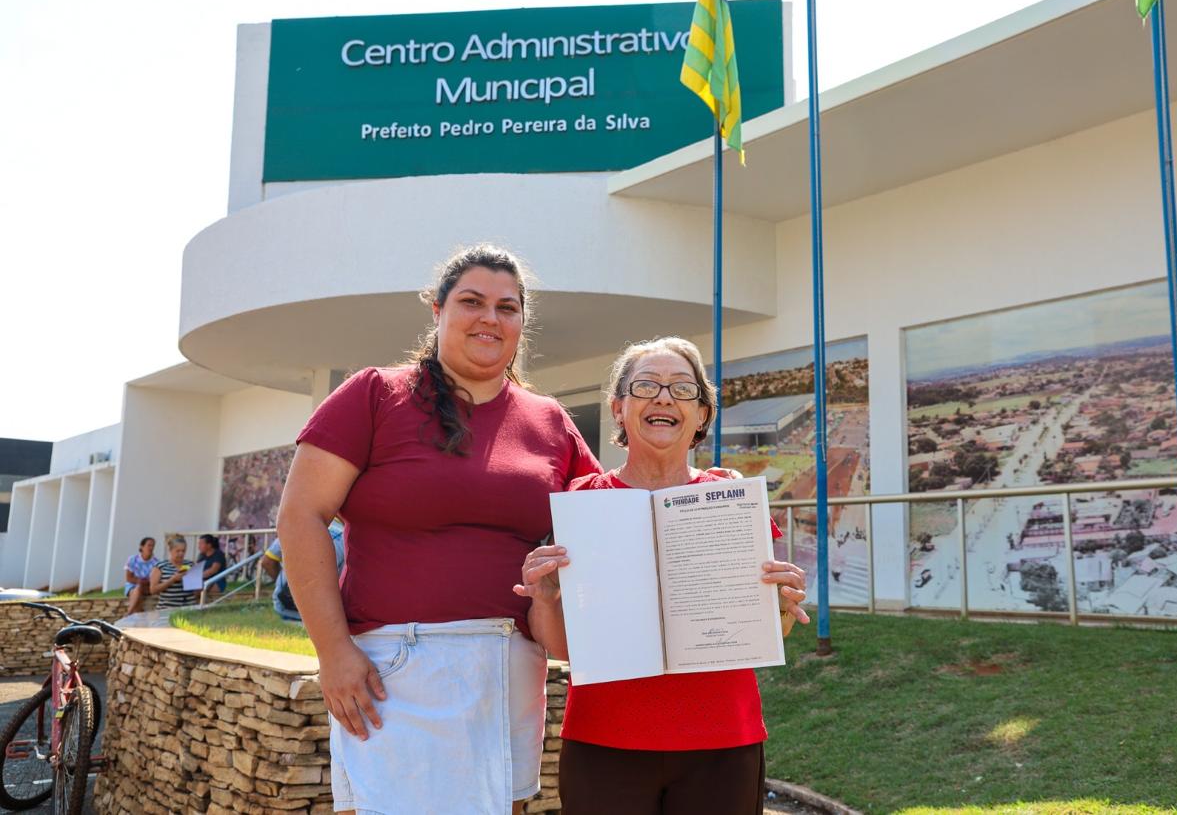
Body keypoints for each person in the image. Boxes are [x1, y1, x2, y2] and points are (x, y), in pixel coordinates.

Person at [276, 245, 603, 815]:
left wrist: (697, 496)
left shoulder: (549, 419)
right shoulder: (374, 394)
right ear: (438, 310)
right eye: (472, 302)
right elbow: (300, 515)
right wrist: (333, 651)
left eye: (507, 307)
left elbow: (607, 519)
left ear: (521, 322)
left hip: (509, 666)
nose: (489, 318)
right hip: (390, 669)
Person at [514, 337, 810, 815]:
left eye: (682, 389)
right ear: (618, 407)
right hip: (604, 738)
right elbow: (565, 649)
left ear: (702, 414)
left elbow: (771, 630)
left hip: (721, 740)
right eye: (646, 385)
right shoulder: (582, 502)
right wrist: (544, 598)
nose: (664, 398)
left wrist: (783, 605)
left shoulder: (732, 500)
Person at [261, 520, 344, 622]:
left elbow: (267, 562)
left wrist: (284, 582)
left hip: (283, 605)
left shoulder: (298, 527)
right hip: (320, 613)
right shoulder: (347, 539)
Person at [150, 537, 198, 609]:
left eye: (183, 551)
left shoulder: (190, 564)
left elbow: (197, 589)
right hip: (167, 609)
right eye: (178, 551)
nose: (181, 554)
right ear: (170, 550)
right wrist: (172, 579)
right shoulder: (161, 566)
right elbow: (153, 590)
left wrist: (190, 580)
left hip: (188, 608)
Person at [123, 536, 159, 614]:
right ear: (141, 547)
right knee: (138, 590)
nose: (151, 548)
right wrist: (139, 581)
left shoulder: (156, 562)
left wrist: (145, 582)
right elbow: (129, 578)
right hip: (132, 585)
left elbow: (155, 580)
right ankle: (133, 613)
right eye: (149, 545)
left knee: (138, 590)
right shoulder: (133, 559)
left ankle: (129, 613)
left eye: (153, 545)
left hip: (147, 586)